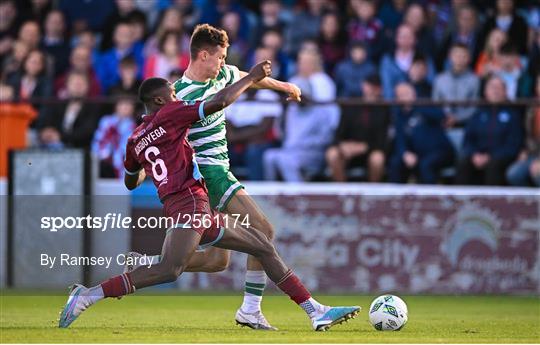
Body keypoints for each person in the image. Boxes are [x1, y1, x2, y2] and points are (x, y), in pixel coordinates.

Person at [58, 64, 360, 332]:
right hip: (190, 203)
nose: (177, 98)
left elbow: (129, 180)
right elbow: (220, 101)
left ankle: (315, 311)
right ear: (160, 101)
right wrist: (252, 77)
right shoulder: (171, 113)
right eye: (172, 94)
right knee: (170, 270)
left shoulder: (135, 139)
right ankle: (90, 294)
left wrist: (151, 164)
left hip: (186, 205)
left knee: (260, 244)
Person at [171, 23, 302, 330]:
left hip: (219, 173)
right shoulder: (179, 94)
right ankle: (251, 310)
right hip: (209, 174)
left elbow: (250, 79)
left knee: (217, 261)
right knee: (263, 231)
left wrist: (287, 87)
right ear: (203, 55)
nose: (223, 63)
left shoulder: (223, 74)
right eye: (220, 57)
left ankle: (144, 264)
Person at [264, 49, 339, 182]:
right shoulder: (292, 109)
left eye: (302, 95)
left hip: (312, 152)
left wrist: (303, 145)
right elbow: (282, 129)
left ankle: (297, 197)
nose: (299, 98)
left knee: (286, 161)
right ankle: (270, 196)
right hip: (291, 150)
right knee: (269, 157)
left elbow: (327, 133)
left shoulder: (321, 106)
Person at [456, 75, 523, 186]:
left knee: (494, 165)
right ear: (486, 91)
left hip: (500, 157)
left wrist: (490, 156)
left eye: (499, 88)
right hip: (478, 155)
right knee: (463, 162)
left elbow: (514, 144)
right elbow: (468, 139)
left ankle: (493, 203)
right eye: (492, 87)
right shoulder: (478, 114)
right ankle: (460, 200)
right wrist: (474, 154)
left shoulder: (513, 115)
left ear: (505, 91)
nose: (495, 91)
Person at [326, 74, 389, 182]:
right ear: (363, 86)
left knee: (378, 159)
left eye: (375, 87)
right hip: (349, 151)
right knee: (332, 154)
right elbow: (338, 134)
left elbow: (383, 141)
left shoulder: (384, 110)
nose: (371, 90)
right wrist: (343, 145)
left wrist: (365, 147)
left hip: (370, 150)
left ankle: (372, 194)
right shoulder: (352, 105)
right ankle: (342, 191)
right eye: (369, 86)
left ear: (380, 90)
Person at [388, 82, 455, 184]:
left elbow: (442, 115)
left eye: (407, 93)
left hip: (439, 151)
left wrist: (416, 106)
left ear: (414, 93)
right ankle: (395, 196)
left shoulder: (425, 105)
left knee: (426, 165)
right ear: (397, 99)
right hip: (417, 153)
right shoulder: (399, 116)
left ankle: (430, 197)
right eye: (401, 95)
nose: (405, 97)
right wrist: (405, 153)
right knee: (396, 162)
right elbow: (399, 139)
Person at [432, 43, 480, 127]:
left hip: (466, 125)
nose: (460, 59)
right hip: (442, 124)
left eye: (463, 56)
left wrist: (457, 118)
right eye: (457, 55)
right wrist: (445, 117)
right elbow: (435, 103)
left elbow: (474, 107)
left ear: (469, 58)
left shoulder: (475, 80)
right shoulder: (439, 79)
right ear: (450, 57)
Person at [506, 76, 540, 187]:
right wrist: (524, 150)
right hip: (533, 153)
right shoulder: (532, 107)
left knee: (538, 175)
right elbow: (527, 133)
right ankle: (529, 202)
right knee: (513, 174)